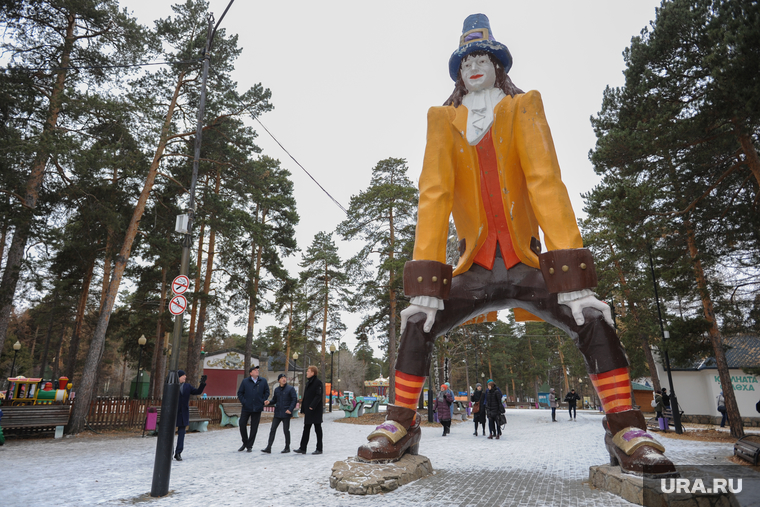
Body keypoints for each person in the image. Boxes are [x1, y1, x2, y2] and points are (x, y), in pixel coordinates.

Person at [357, 13, 675, 476]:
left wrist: (572, 276)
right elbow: (434, 194)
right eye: (466, 62)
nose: (474, 67)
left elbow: (546, 181)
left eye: (483, 58)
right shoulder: (442, 120)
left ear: (498, 65)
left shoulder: (523, 107)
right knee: (419, 322)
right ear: (458, 73)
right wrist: (426, 280)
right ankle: (400, 424)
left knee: (589, 313)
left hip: (527, 262)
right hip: (476, 266)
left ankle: (625, 429)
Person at [174, 370, 206, 461]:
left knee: (182, 433)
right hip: (174, 413)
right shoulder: (173, 386)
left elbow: (197, 392)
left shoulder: (187, 386)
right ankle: (170, 452)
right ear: (178, 377)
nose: (185, 377)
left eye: (185, 375)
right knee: (170, 434)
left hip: (183, 413)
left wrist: (202, 384)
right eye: (183, 376)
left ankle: (178, 452)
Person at [262, 373, 298, 454]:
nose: (284, 379)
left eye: (284, 377)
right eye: (281, 378)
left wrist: (290, 409)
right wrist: (269, 402)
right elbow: (274, 400)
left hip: (286, 413)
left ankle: (287, 447)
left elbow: (294, 400)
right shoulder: (277, 390)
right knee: (272, 430)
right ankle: (268, 447)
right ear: (279, 380)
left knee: (286, 430)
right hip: (277, 413)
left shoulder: (290, 389)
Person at [237, 365, 269, 452]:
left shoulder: (263, 381)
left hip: (257, 407)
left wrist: (262, 400)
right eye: (255, 370)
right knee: (242, 424)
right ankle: (245, 442)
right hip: (246, 407)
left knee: (254, 427)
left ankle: (249, 446)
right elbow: (240, 393)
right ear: (251, 373)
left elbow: (267, 391)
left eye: (257, 370)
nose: (257, 371)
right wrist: (244, 402)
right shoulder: (245, 381)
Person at [295, 365, 324, 455]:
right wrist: (303, 408)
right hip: (308, 410)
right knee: (306, 428)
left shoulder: (318, 382)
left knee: (317, 429)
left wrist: (312, 406)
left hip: (315, 410)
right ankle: (303, 448)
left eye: (308, 371)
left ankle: (319, 448)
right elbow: (306, 397)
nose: (307, 372)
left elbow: (318, 395)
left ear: (313, 373)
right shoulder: (308, 383)